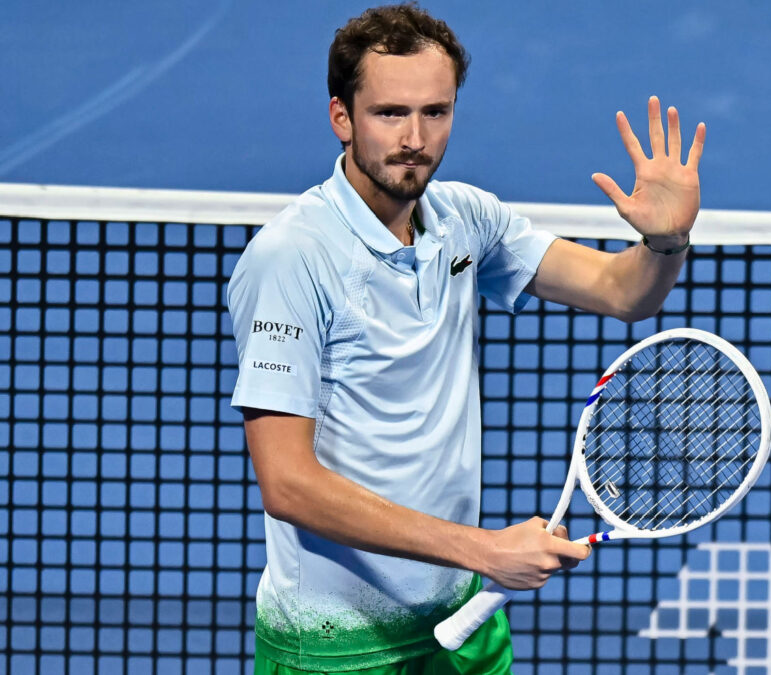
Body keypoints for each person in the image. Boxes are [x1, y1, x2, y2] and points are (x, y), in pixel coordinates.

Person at [226, 4, 705, 674]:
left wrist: (665, 240)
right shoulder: (292, 258)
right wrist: (483, 550)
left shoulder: (465, 220)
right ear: (342, 117)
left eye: (436, 111)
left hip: (460, 625)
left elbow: (623, 291)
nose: (416, 137)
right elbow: (288, 484)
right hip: (335, 645)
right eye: (390, 113)